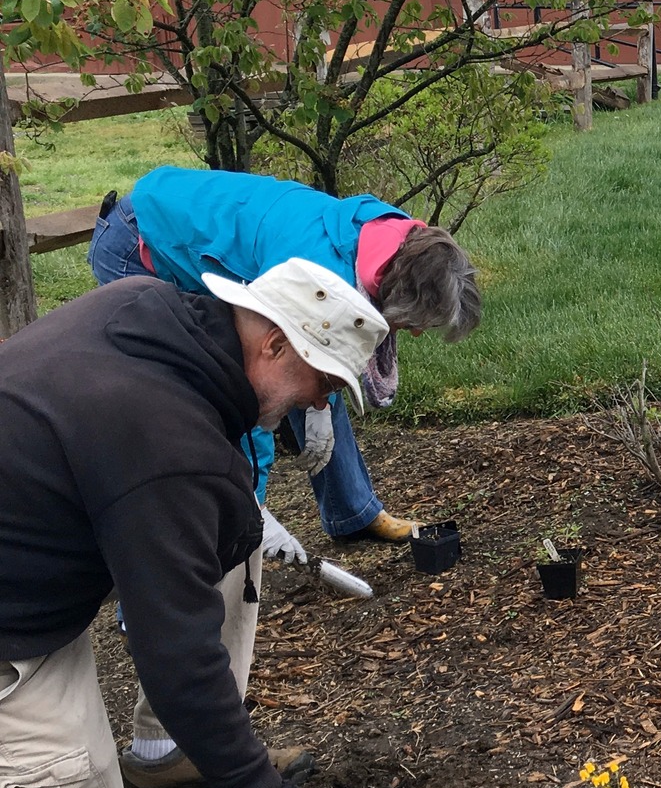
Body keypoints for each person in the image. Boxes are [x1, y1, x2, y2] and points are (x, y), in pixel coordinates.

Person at [0, 259, 385, 788]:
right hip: (14, 629)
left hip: (28, 580)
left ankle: (161, 755)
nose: (322, 401)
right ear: (273, 343)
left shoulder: (142, 304)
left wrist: (224, 506)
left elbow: (155, 478)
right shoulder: (162, 443)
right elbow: (176, 651)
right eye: (323, 379)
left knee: (230, 524)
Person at [89, 165, 482, 543]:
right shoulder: (321, 270)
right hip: (140, 240)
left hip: (195, 216)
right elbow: (252, 391)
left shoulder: (397, 242)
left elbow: (323, 369)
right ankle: (186, 566)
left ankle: (352, 512)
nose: (414, 332)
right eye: (420, 321)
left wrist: (320, 406)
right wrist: (253, 510)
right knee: (204, 389)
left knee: (323, 371)